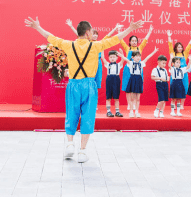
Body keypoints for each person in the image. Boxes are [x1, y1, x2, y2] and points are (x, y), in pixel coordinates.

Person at [24, 17, 143, 163]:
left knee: (71, 113)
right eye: (91, 30)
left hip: (73, 85)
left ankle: (69, 144)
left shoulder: (68, 45)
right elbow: (115, 39)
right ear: (87, 33)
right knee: (87, 116)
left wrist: (37, 27)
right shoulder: (95, 46)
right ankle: (82, 151)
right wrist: (130, 29)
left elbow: (51, 38)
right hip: (89, 85)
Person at [66, 20, 123, 90]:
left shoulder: (99, 43)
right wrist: (71, 26)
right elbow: (78, 35)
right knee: (88, 81)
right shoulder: (88, 43)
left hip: (98, 63)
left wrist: (115, 28)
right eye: (93, 34)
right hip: (90, 62)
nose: (95, 35)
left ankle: (94, 97)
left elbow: (108, 36)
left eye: (96, 34)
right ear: (88, 34)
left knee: (96, 82)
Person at [119, 25, 154, 110]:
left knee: (136, 87)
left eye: (135, 41)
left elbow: (145, 40)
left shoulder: (140, 48)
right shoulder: (127, 48)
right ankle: (129, 104)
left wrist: (149, 31)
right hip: (128, 70)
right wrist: (119, 30)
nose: (134, 42)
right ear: (130, 42)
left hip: (138, 71)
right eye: (132, 41)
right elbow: (121, 40)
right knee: (128, 86)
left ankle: (134, 104)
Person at [118, 47, 158, 118]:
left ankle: (136, 111)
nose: (138, 57)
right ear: (132, 57)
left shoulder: (141, 63)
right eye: (136, 56)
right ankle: (131, 111)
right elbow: (125, 58)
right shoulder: (130, 63)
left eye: (139, 56)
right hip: (132, 79)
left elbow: (147, 57)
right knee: (132, 97)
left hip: (139, 79)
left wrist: (154, 51)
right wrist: (121, 55)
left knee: (138, 98)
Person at [167, 30, 191, 110]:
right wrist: (169, 36)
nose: (180, 48)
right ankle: (174, 104)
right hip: (175, 74)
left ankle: (181, 105)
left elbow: (189, 46)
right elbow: (170, 45)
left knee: (184, 88)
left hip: (184, 73)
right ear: (176, 48)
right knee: (174, 89)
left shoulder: (184, 54)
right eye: (178, 47)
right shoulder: (173, 54)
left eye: (181, 47)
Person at [100, 51, 124, 117]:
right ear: (109, 58)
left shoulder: (119, 65)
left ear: (116, 58)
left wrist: (121, 53)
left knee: (116, 97)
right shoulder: (108, 64)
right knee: (108, 97)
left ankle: (117, 111)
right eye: (111, 57)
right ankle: (108, 111)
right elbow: (103, 58)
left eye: (114, 57)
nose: (112, 58)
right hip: (109, 79)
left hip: (116, 79)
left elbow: (123, 59)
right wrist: (102, 50)